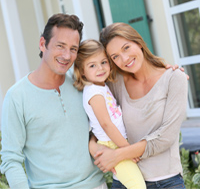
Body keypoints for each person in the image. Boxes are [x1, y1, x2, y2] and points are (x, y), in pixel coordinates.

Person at [0, 13, 107, 189]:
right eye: (60, 46)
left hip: (96, 185)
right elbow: (11, 159)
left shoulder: (82, 83)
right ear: (43, 44)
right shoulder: (17, 97)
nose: (67, 55)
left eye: (73, 49)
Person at [89, 23, 188, 189]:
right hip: (125, 182)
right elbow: (98, 124)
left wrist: (117, 155)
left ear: (138, 42)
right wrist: (94, 148)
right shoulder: (115, 84)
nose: (124, 59)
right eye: (115, 56)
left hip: (166, 182)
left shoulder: (174, 78)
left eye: (126, 48)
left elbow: (166, 137)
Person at [73, 39, 146, 189]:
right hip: (112, 145)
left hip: (116, 142)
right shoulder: (93, 92)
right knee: (137, 186)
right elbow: (106, 124)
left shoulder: (101, 86)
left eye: (103, 62)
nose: (100, 68)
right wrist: (127, 149)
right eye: (92, 65)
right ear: (82, 72)